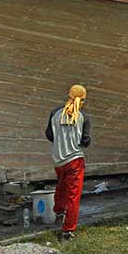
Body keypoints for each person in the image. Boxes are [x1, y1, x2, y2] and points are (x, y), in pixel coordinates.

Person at [45, 84, 92, 241]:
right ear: (83, 100)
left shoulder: (54, 113)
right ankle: (67, 231)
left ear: (68, 96)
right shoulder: (83, 117)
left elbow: (49, 135)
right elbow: (85, 141)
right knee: (73, 196)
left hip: (58, 161)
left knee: (61, 186)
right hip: (75, 160)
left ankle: (58, 212)